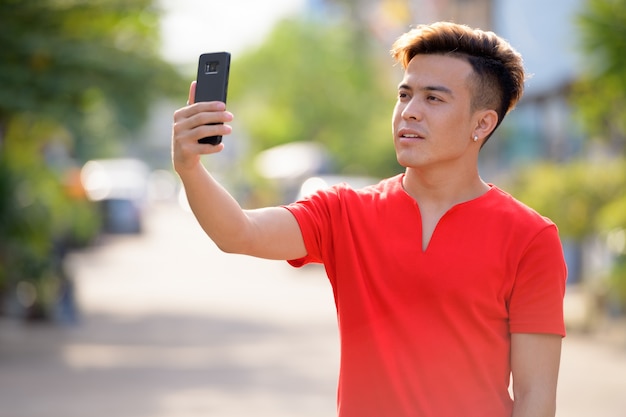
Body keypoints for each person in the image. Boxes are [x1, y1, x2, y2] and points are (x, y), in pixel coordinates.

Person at [171, 21, 567, 417]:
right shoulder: (343, 212)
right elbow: (240, 233)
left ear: (482, 123)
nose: (409, 113)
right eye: (405, 94)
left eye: (433, 99)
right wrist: (190, 168)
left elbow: (536, 394)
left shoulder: (530, 237)